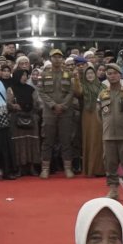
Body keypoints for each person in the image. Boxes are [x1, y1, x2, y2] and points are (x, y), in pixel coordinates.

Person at [95, 62, 123, 199]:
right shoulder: (102, 94)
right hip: (108, 135)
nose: (112, 76)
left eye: (115, 73)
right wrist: (106, 126)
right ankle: (113, 190)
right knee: (109, 163)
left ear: (120, 75)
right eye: (109, 74)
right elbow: (98, 114)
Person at [36, 49, 79, 177]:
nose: (57, 59)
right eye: (54, 57)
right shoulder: (43, 74)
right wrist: (53, 105)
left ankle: (68, 168)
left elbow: (72, 91)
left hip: (66, 112)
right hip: (49, 112)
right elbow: (41, 91)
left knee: (66, 140)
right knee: (47, 140)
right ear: (50, 59)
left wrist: (63, 105)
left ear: (62, 59)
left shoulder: (69, 74)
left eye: (59, 57)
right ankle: (45, 168)